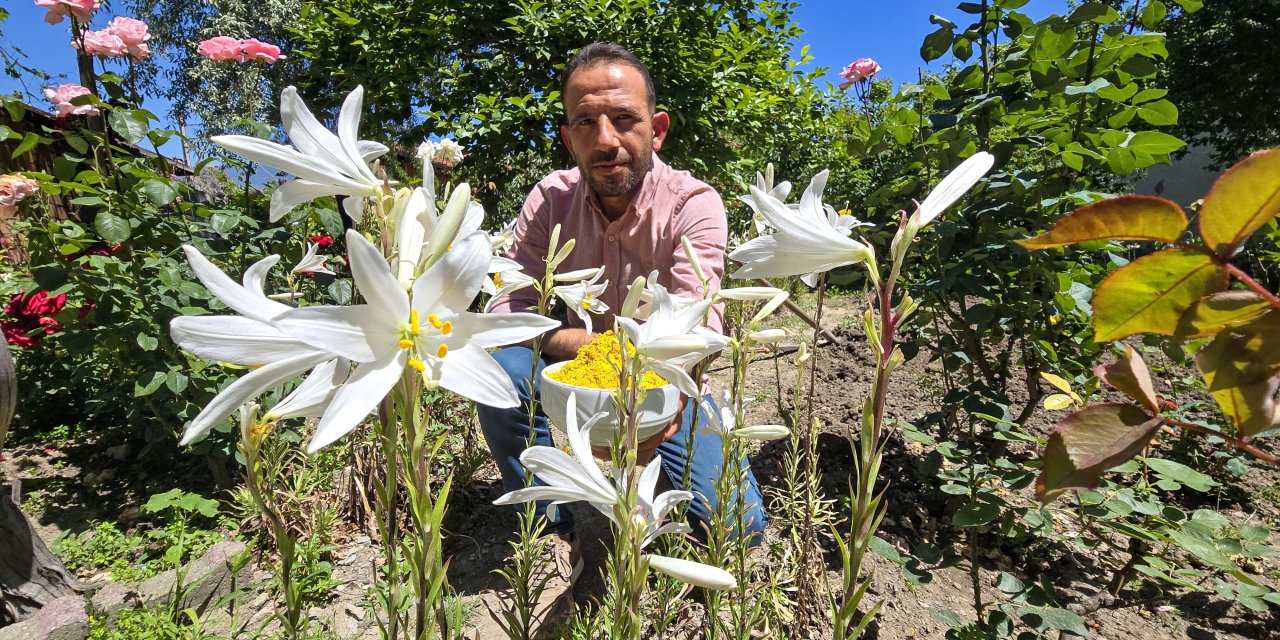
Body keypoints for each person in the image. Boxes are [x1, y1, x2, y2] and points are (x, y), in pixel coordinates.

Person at [480, 42, 767, 616]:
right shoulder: (548, 200)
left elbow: (696, 325)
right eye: (586, 122)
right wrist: (591, 349)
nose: (606, 140)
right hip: (567, 376)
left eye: (625, 119)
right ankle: (554, 526)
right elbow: (506, 312)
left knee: (737, 528)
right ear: (569, 137)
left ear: (656, 129)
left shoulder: (694, 203)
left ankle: (656, 510)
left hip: (664, 385)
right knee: (495, 370)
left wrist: (655, 406)